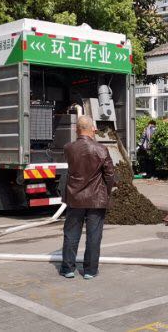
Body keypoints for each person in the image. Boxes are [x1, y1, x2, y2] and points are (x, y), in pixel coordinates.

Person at [60, 115, 115, 280]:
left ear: (76, 129)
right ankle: (90, 270)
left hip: (74, 197)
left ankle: (68, 268)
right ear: (93, 129)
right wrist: (107, 191)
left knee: (71, 233)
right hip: (96, 199)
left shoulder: (68, 148)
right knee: (94, 234)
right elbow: (110, 174)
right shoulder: (101, 149)